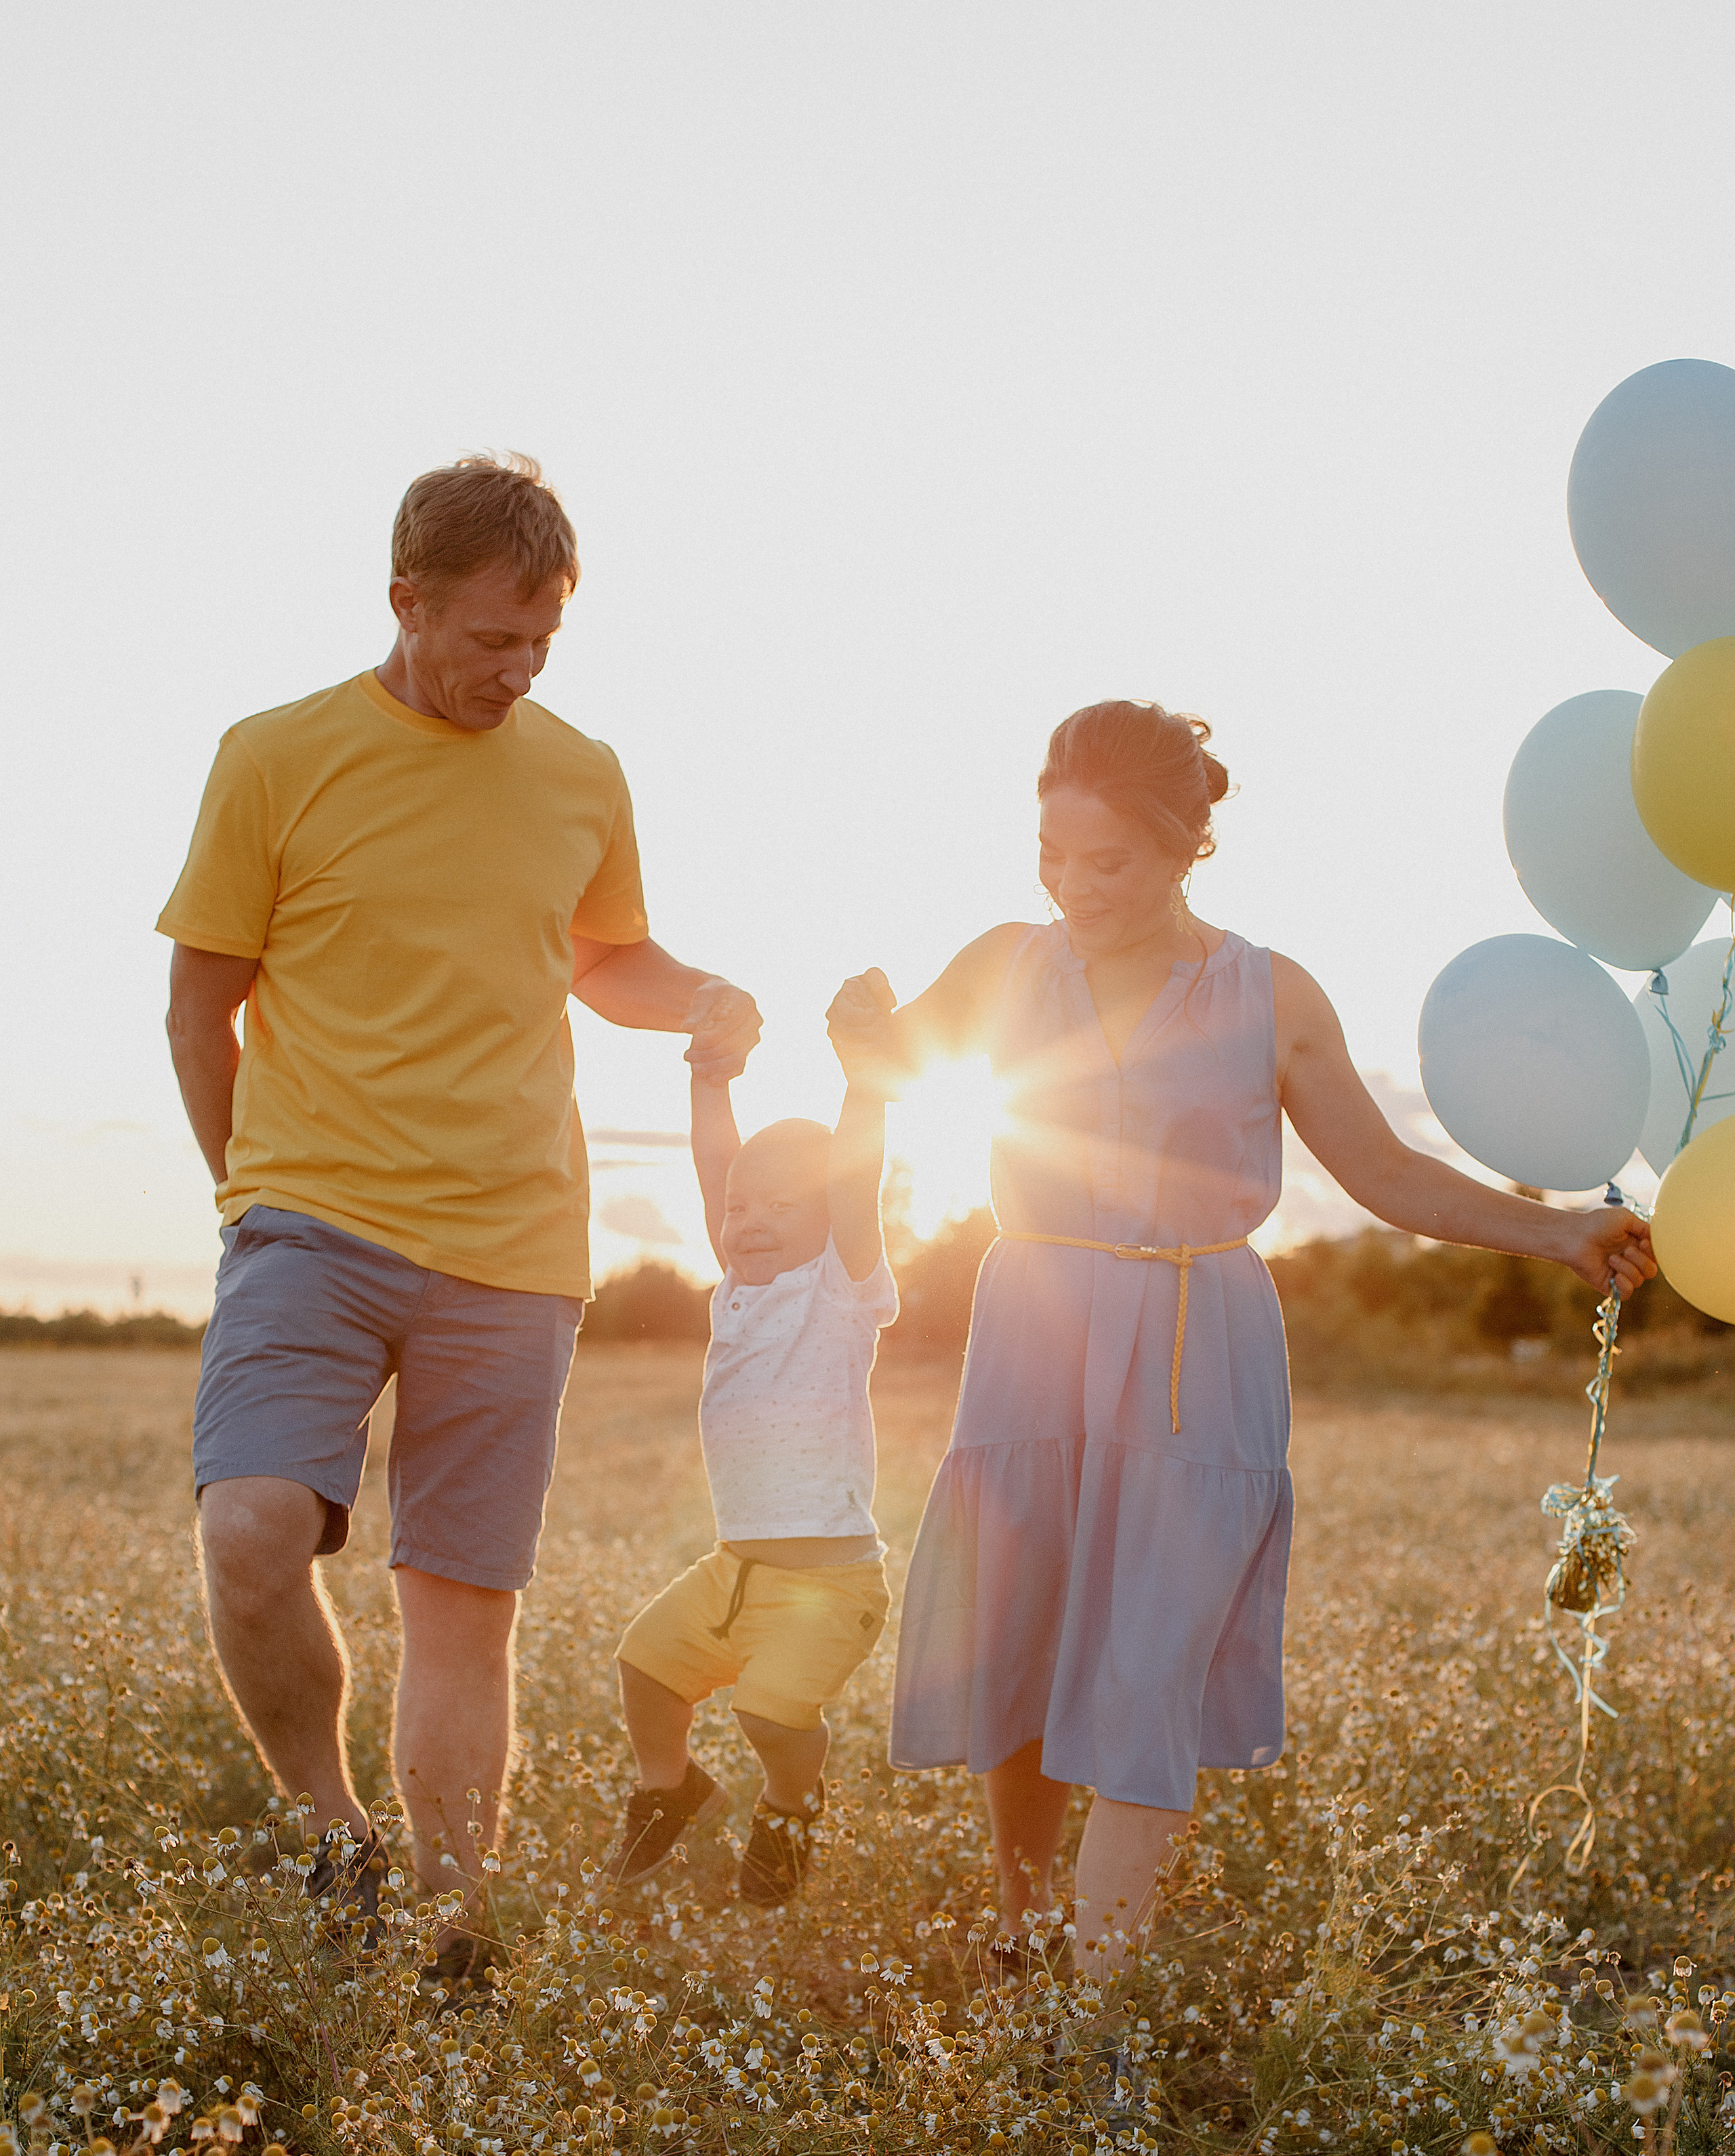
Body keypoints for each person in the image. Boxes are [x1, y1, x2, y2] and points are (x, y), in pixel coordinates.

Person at [827, 699, 1656, 1992]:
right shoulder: (1003, 963)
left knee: (1149, 1664)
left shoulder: (1271, 993)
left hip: (1193, 1347)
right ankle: (1023, 1930)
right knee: (1025, 1635)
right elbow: (887, 1066)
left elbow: (1381, 1173)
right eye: (1052, 854)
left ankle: (1093, 2028)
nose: (1072, 885)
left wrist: (1555, 1236)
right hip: (1034, 1331)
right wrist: (856, 1027)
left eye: (1106, 861)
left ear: (1182, 848)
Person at [159, 453, 760, 1985]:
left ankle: (443, 1930)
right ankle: (330, 1827)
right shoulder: (274, 757)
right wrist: (248, 1199)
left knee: (461, 1610)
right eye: (493, 640)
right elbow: (198, 1005)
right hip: (310, 1222)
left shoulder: (580, 773)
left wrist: (697, 995)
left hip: (514, 1249)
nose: (517, 672)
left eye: (542, 645)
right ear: (405, 602)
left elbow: (603, 957)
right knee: (248, 1531)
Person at [603, 1002, 899, 1904]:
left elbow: (856, 1185)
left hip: (830, 1584)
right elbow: (711, 1170)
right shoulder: (732, 1292)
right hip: (735, 1570)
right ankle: (670, 1786)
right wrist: (708, 1080)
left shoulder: (842, 1292)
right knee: (644, 1665)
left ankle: (791, 1801)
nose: (751, 1220)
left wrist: (866, 1078)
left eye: (782, 1205)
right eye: (742, 1209)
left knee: (769, 1714)